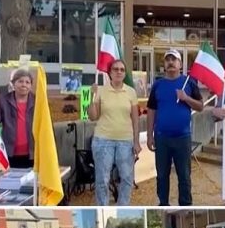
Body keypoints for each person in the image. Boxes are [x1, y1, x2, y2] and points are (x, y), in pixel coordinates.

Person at [146, 49, 205, 206]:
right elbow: (151, 110)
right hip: (162, 138)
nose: (171, 62)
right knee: (162, 175)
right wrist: (150, 136)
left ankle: (185, 204)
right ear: (164, 64)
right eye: (168, 60)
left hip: (182, 138)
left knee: (184, 175)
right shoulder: (158, 85)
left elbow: (200, 106)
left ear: (180, 64)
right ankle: (163, 203)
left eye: (174, 60)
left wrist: (186, 98)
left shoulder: (189, 83)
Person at [87, 59, 140, 206]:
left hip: (125, 141)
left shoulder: (131, 92)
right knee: (102, 180)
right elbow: (92, 116)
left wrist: (136, 141)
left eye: (122, 69)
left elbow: (135, 119)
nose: (119, 72)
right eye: (115, 69)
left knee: (127, 178)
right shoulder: (101, 90)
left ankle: (122, 206)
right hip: (103, 140)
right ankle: (103, 207)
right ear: (109, 72)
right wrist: (92, 96)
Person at [0, 69, 36, 168]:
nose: (24, 85)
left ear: (31, 85)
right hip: (9, 154)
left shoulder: (37, 101)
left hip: (32, 154)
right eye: (20, 81)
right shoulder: (4, 100)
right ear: (13, 83)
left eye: (27, 82)